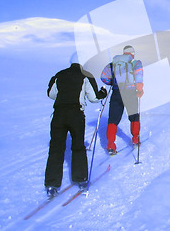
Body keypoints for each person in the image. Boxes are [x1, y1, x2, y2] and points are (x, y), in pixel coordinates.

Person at [44, 56, 107, 197]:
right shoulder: (86, 75)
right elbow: (93, 98)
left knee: (56, 148)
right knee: (78, 146)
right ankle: (81, 179)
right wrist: (102, 93)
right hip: (76, 114)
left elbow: (51, 94)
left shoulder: (60, 74)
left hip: (58, 114)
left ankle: (51, 184)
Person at [100, 45, 144, 155]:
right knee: (134, 117)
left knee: (113, 119)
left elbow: (103, 77)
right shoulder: (135, 63)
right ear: (132, 54)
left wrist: (112, 83)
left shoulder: (113, 63)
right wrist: (139, 89)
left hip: (116, 92)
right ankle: (135, 139)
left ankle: (110, 145)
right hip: (130, 93)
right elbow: (139, 75)